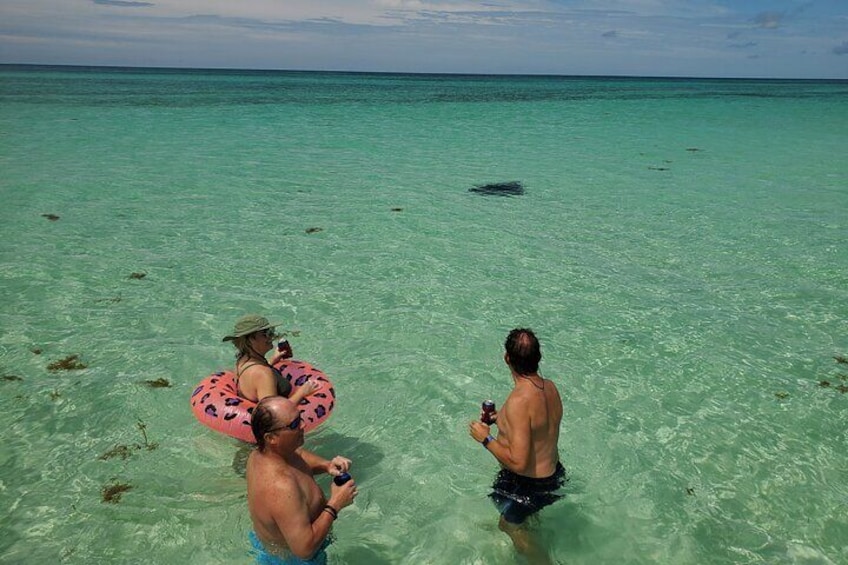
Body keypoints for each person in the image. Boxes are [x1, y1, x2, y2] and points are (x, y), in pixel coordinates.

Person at [469, 328, 565, 564]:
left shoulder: (519, 400)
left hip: (528, 484)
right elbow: (537, 423)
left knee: (508, 526)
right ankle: (532, 526)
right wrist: (500, 418)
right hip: (553, 474)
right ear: (538, 357)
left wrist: (485, 438)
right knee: (522, 520)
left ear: (507, 358)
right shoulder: (550, 387)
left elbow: (519, 462)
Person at [247, 396, 358, 564]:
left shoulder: (262, 454)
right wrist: (335, 503)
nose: (303, 425)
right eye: (294, 425)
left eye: (300, 417)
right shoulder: (281, 487)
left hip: (278, 544)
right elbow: (304, 550)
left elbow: (298, 455)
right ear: (271, 438)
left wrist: (326, 465)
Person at [223, 314, 319, 404]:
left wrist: (272, 360)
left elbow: (255, 380)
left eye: (271, 331)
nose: (272, 336)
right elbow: (273, 414)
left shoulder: (242, 360)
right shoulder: (263, 374)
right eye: (266, 333)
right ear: (251, 340)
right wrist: (302, 392)